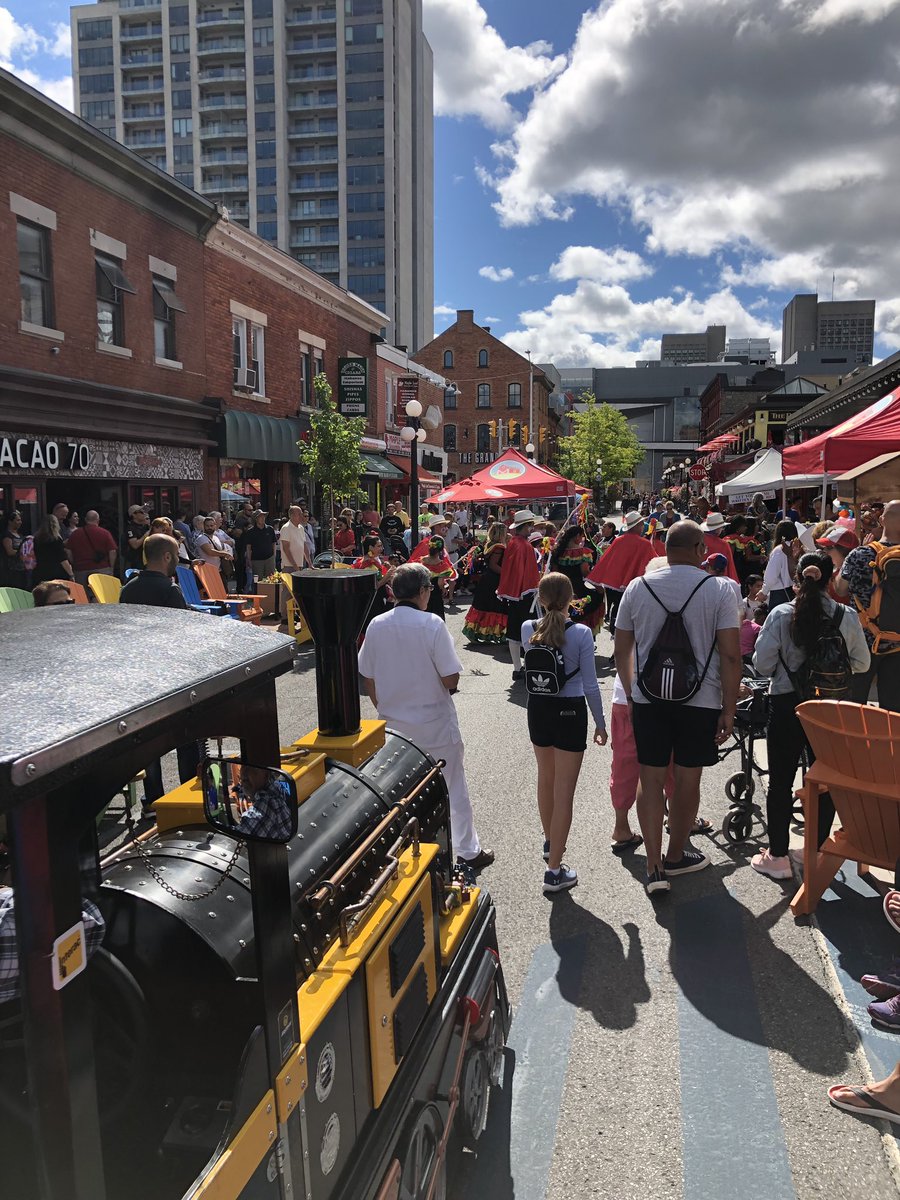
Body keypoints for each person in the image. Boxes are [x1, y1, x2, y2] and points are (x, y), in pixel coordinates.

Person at [614, 520, 742, 895]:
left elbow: (622, 649)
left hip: (649, 698)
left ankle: (653, 867)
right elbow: (731, 655)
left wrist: (632, 690)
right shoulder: (718, 589)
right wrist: (729, 709)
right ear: (701, 550)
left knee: (649, 778)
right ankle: (675, 854)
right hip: (700, 700)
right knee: (688, 779)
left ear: (665, 549)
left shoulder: (638, 587)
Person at [358, 562, 493, 871]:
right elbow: (451, 679)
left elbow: (368, 676)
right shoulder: (431, 624)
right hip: (434, 724)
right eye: (430, 589)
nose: (430, 594)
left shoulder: (377, 625)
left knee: (399, 792)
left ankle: (404, 850)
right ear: (421, 592)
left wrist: (385, 705)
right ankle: (468, 850)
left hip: (393, 727)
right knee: (452, 787)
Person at [751, 551, 869, 880]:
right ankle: (814, 852)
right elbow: (862, 664)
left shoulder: (780, 614)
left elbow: (762, 665)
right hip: (829, 709)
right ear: (831, 579)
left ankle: (777, 857)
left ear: (797, 579)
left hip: (787, 705)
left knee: (780, 782)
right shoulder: (845, 615)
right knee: (823, 781)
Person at [521, 573, 607, 894]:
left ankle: (550, 843)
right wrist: (599, 722)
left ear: (540, 600)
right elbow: (589, 685)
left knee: (545, 778)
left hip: (539, 708)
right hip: (570, 710)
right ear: (572, 598)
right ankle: (554, 871)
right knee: (564, 790)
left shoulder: (528, 629)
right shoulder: (583, 633)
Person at [119, 534, 200, 815]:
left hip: (141, 673)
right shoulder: (170, 590)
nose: (178, 560)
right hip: (172, 672)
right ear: (166, 557)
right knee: (187, 737)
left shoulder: (127, 590)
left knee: (149, 744)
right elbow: (184, 634)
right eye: (176, 554)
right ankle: (188, 793)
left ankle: (152, 800)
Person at [834, 498, 900, 711]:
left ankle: (856, 743)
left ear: (882, 520)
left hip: (862, 642)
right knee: (893, 709)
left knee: (855, 704)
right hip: (898, 642)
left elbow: (840, 589)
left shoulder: (860, 554)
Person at [585, 511, 656, 636]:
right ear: (638, 525)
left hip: (614, 586)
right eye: (641, 525)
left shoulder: (618, 541)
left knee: (616, 610)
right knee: (631, 614)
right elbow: (655, 564)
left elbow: (606, 561)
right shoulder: (644, 544)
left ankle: (615, 636)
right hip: (634, 587)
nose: (642, 527)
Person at [497, 510, 542, 681]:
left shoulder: (514, 543)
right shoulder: (524, 545)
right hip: (525, 595)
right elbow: (525, 573)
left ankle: (517, 668)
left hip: (514, 595)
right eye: (531, 525)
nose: (532, 529)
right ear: (526, 526)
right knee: (530, 630)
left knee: (514, 631)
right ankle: (531, 666)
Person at [550, 526, 604, 634]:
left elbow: (555, 573)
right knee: (596, 597)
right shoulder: (582, 552)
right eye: (582, 536)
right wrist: (599, 587)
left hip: (561, 589)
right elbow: (585, 572)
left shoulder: (557, 552)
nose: (582, 539)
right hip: (578, 589)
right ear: (577, 536)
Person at [463, 521, 509, 644]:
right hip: (494, 579)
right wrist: (507, 573)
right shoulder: (498, 547)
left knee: (483, 606)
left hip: (487, 578)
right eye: (505, 532)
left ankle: (477, 632)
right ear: (500, 533)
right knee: (494, 607)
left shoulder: (489, 544)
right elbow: (494, 565)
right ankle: (494, 633)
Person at [66, 510, 117, 586]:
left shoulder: (75, 534)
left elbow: (68, 551)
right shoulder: (105, 533)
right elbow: (112, 551)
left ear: (86, 519)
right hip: (102, 568)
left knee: (83, 595)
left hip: (80, 570)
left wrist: (74, 562)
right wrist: (111, 567)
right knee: (101, 595)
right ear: (98, 520)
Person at [763, 520, 801, 608]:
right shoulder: (798, 547)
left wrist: (764, 591)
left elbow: (771, 577)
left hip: (779, 592)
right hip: (794, 590)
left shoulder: (779, 550)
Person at [31, 514, 73, 587]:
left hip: (40, 571)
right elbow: (62, 559)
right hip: (56, 573)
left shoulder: (37, 539)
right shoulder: (56, 540)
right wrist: (71, 574)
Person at [697, 512, 740, 582]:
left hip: (698, 580)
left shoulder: (697, 540)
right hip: (719, 582)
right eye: (721, 528)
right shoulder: (723, 544)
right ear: (717, 529)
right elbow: (730, 568)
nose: (722, 529)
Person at [702, 552, 742, 620]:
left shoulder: (707, 583)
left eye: (706, 567)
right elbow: (741, 610)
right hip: (730, 625)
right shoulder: (734, 584)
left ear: (709, 568)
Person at [241, 509, 277, 582]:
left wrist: (274, 556)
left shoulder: (270, 529)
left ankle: (270, 593)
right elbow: (248, 547)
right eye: (260, 516)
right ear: (256, 519)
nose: (263, 518)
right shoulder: (250, 532)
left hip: (269, 559)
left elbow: (274, 543)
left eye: (264, 516)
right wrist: (249, 560)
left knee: (271, 579)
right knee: (257, 581)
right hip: (256, 560)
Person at [279, 506, 312, 575]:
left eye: (301, 514)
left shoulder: (301, 528)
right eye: (299, 514)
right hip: (288, 566)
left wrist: (310, 563)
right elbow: (286, 549)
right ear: (291, 516)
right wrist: (294, 565)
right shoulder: (286, 528)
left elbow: (304, 546)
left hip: (299, 565)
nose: (301, 516)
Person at [0, 511, 26, 587]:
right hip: (11, 570)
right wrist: (22, 552)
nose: (20, 522)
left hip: (22, 568)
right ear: (10, 522)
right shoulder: (7, 535)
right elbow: (10, 551)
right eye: (17, 520)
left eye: (20, 520)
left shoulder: (20, 535)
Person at [124, 504, 151, 572]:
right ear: (134, 515)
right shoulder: (131, 528)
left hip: (145, 560)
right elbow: (134, 545)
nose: (144, 514)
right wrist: (145, 536)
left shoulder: (144, 527)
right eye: (141, 512)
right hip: (135, 562)